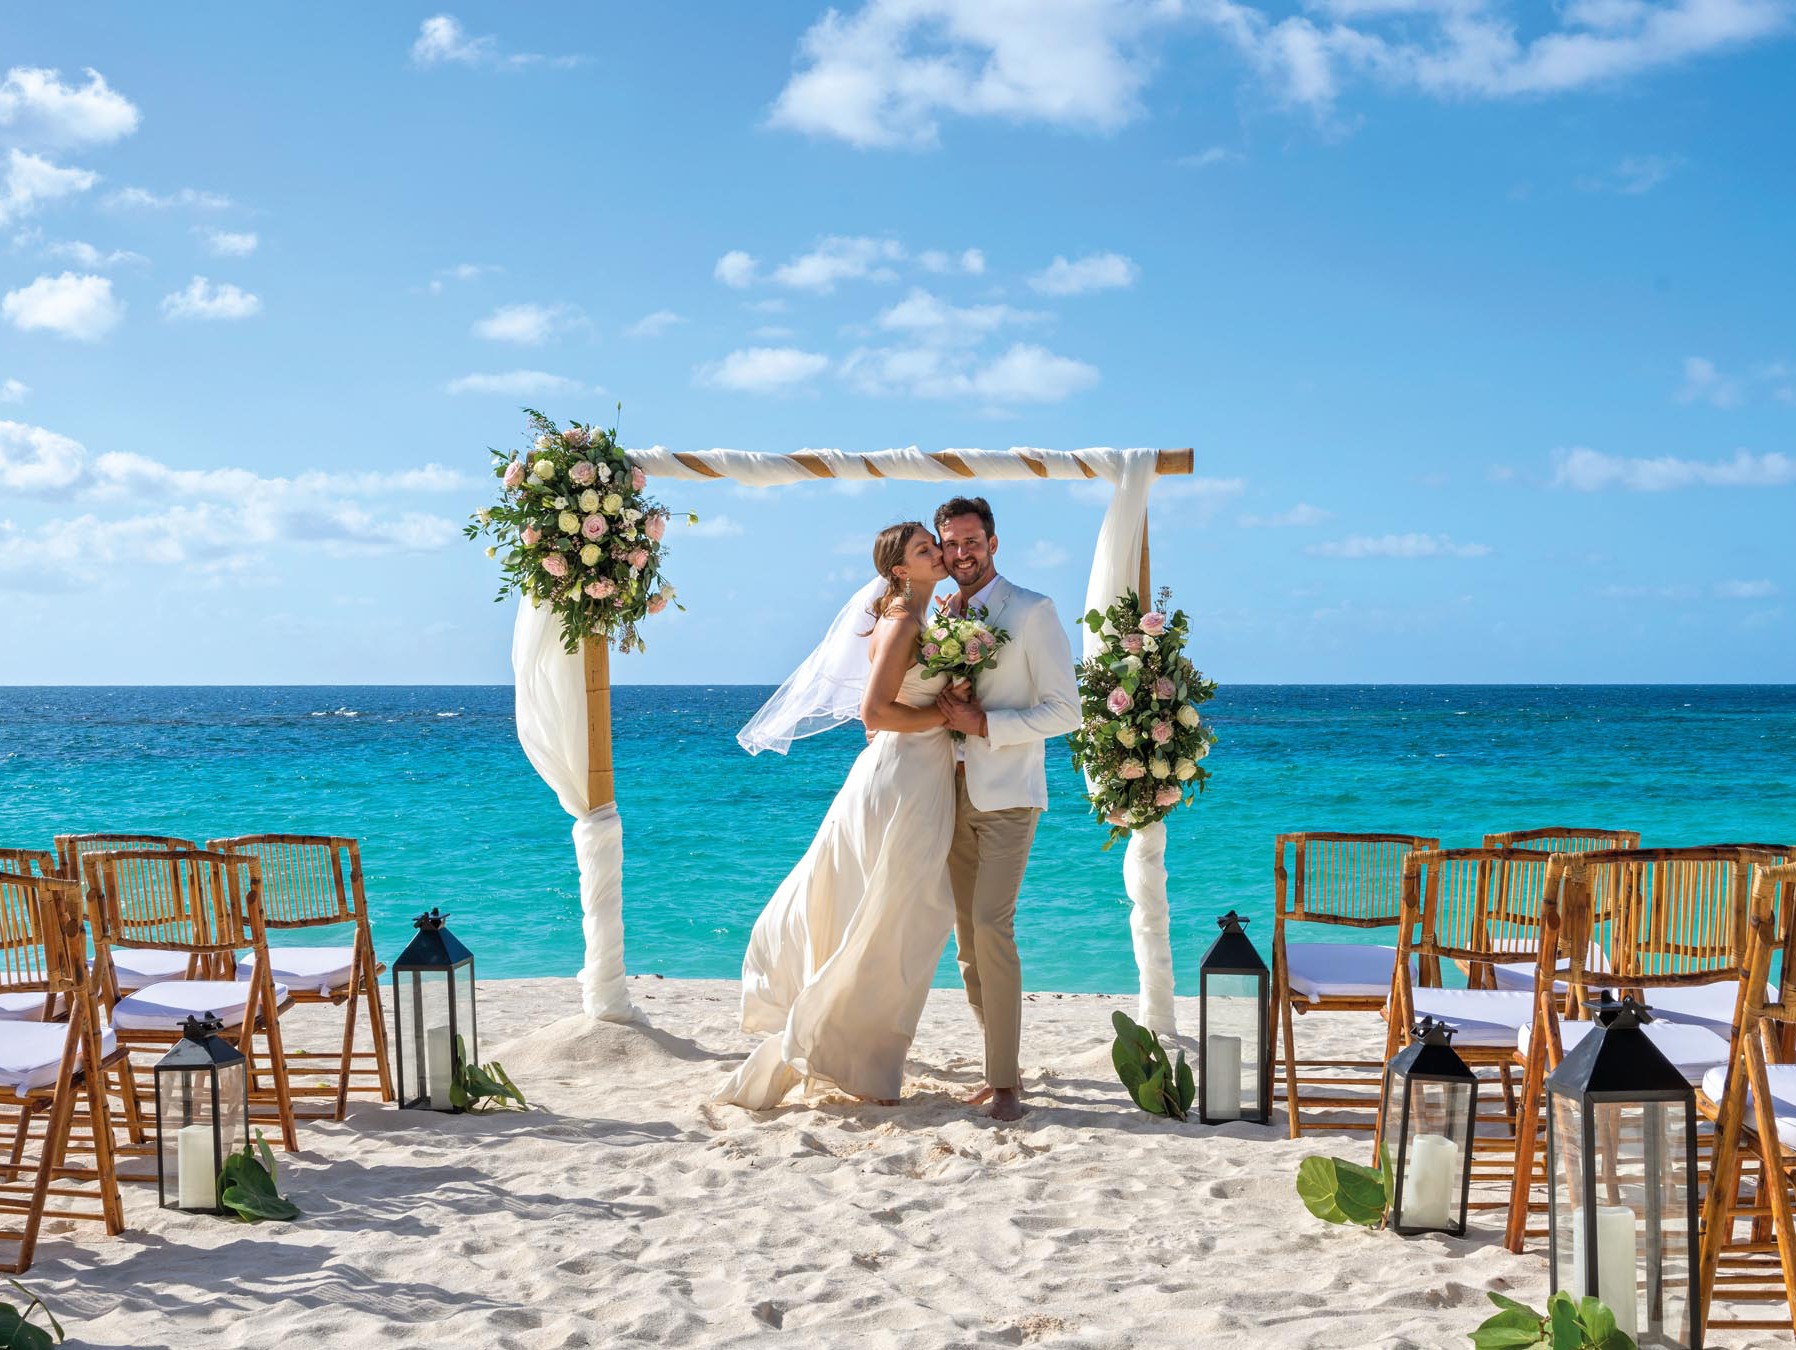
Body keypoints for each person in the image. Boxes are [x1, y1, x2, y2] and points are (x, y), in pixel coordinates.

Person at [715, 521, 956, 1109]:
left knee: (898, 916)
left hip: (916, 774)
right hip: (902, 777)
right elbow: (874, 711)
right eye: (925, 550)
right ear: (900, 569)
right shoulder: (901, 622)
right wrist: (944, 717)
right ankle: (843, 1049)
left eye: (936, 544)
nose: (939, 553)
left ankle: (856, 1053)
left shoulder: (927, 620)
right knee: (888, 917)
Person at [933, 496, 1080, 1121]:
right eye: (950, 544)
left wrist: (983, 723)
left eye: (972, 541)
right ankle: (1001, 1062)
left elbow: (1065, 711)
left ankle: (1004, 1087)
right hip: (946, 793)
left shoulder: (1032, 611)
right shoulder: (943, 614)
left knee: (994, 928)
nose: (961, 553)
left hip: (1009, 797)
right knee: (967, 944)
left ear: (994, 543)